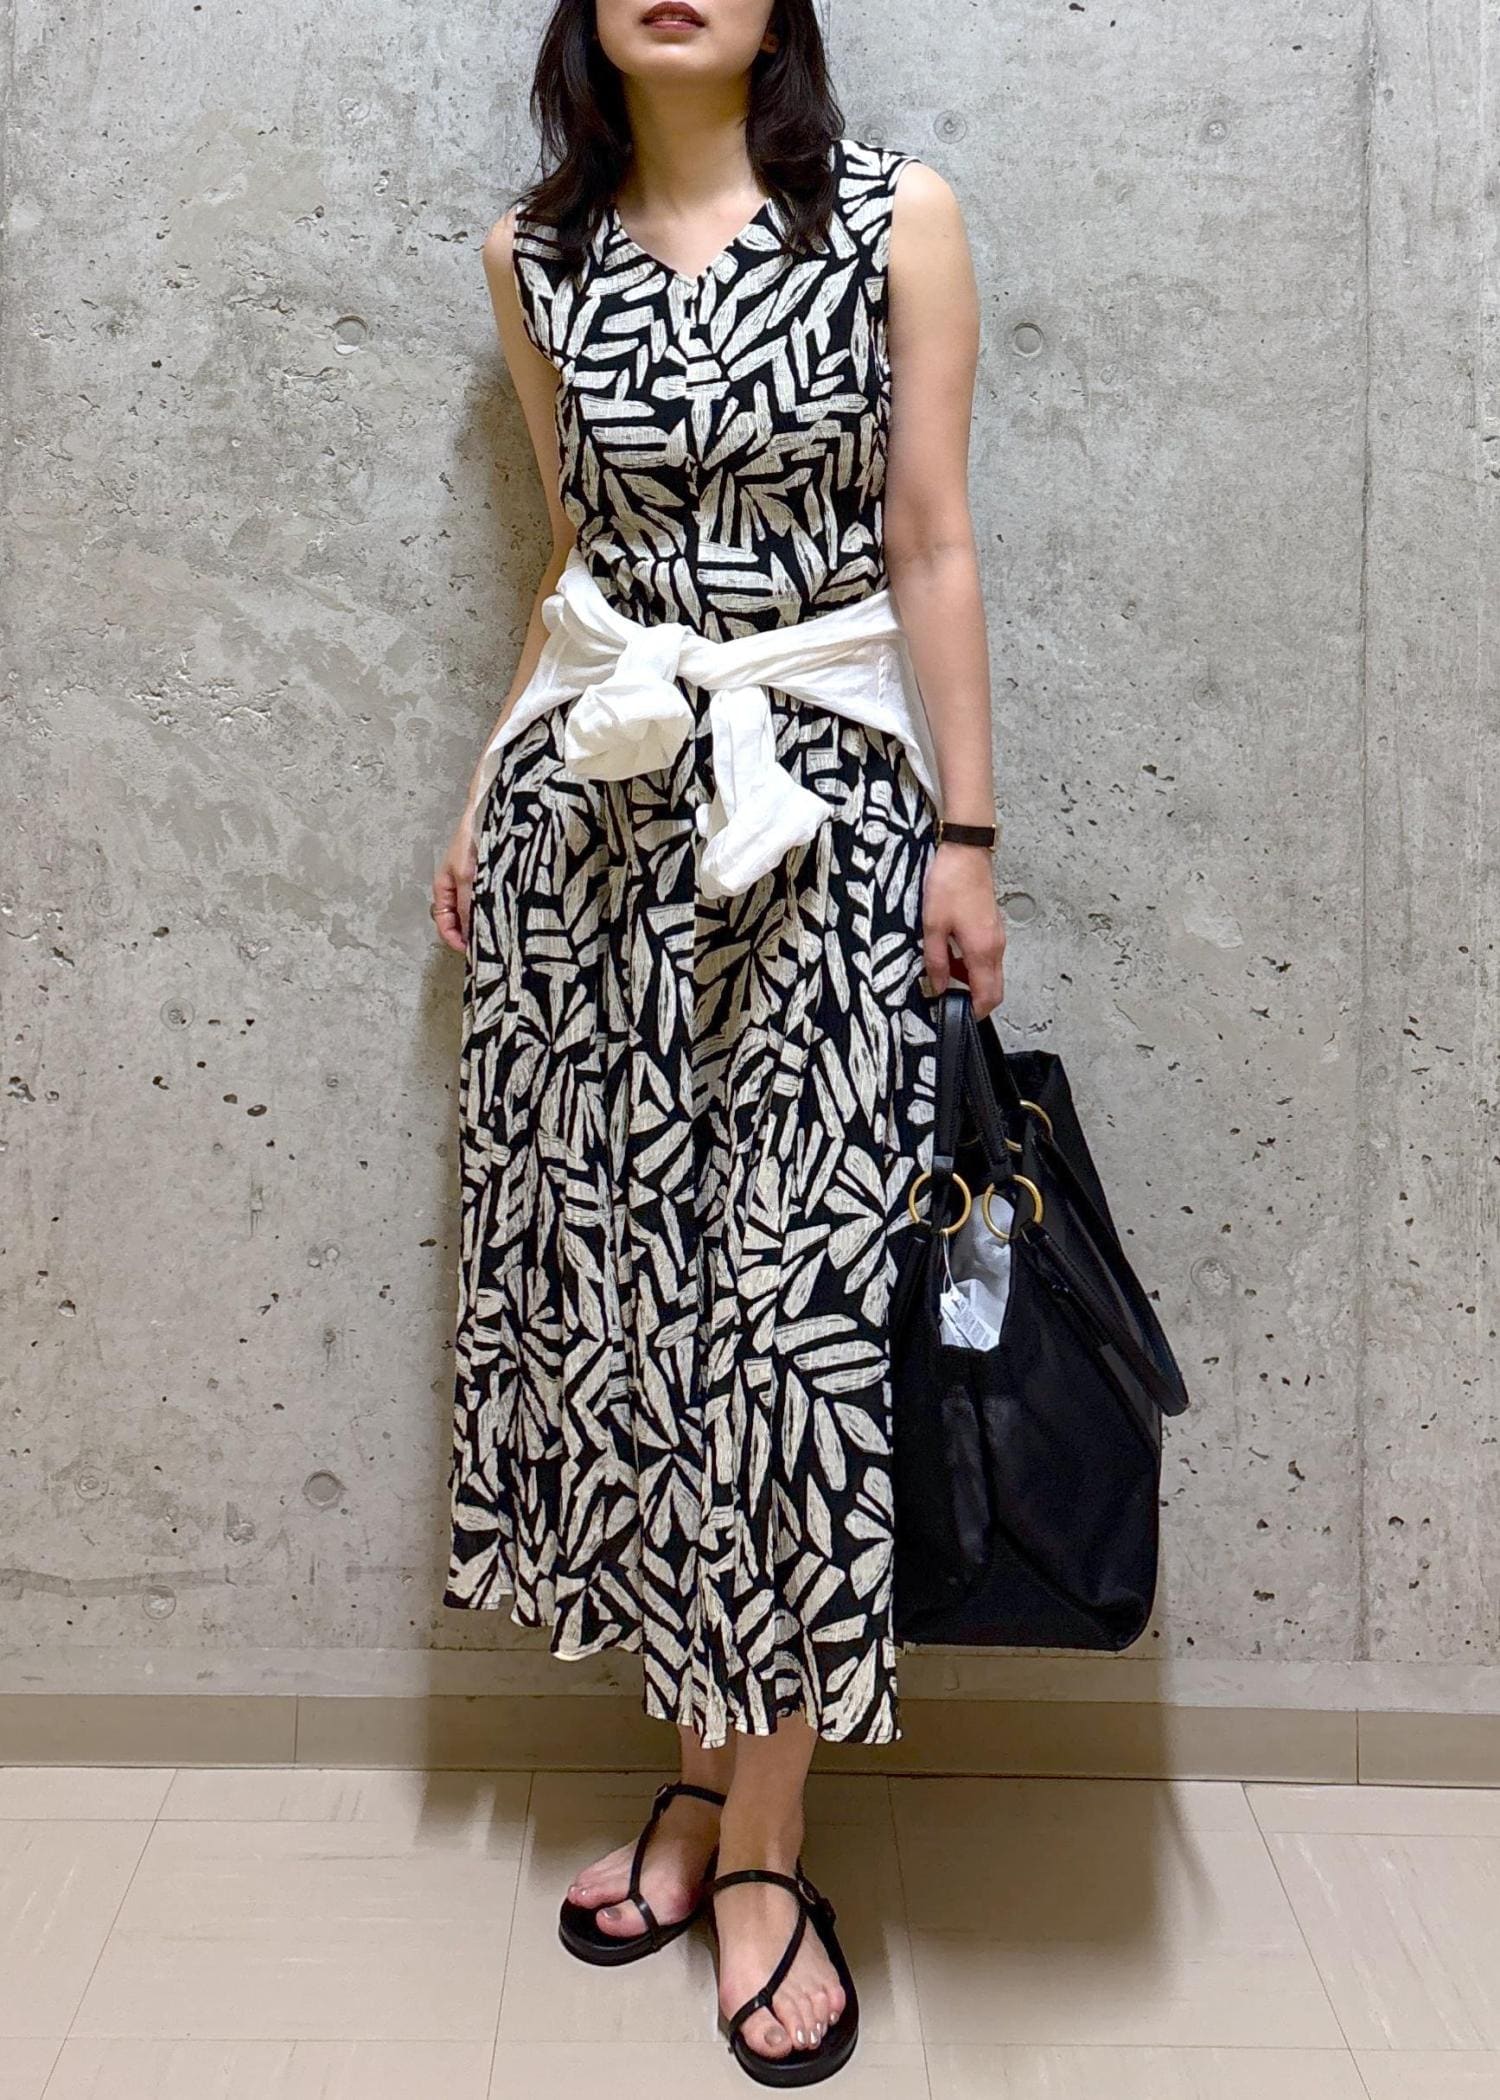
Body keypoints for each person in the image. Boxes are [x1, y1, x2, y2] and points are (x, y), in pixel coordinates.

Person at [430, 0, 1004, 2083]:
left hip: (823, 817)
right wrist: (480, 790)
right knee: (643, 1328)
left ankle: (763, 1850)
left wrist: (967, 834)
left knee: (788, 1337)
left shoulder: (896, 217)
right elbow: (576, 561)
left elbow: (930, 539)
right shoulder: (531, 255)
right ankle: (697, 1782)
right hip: (592, 823)